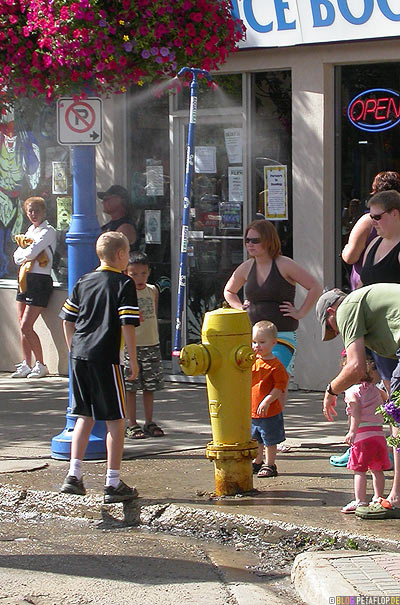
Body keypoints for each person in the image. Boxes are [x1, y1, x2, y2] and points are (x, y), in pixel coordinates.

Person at [59, 231, 140, 503]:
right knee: (116, 420)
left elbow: (67, 320)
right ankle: (112, 482)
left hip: (80, 355)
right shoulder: (123, 283)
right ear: (120, 255)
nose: (128, 258)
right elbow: (127, 324)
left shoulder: (84, 280)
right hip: (106, 357)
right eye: (127, 253)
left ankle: (74, 474)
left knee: (84, 415)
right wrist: (132, 358)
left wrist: (73, 350)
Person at [316, 283, 400, 519]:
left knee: (398, 417)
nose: (339, 333)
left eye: (333, 328)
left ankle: (396, 498)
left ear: (331, 312)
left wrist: (331, 391)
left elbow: (355, 367)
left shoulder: (347, 308)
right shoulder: (368, 307)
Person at [224, 219, 321, 375]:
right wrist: (240, 307)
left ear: (268, 241)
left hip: (281, 335)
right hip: (255, 337)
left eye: (255, 241)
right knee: (257, 381)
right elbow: (229, 291)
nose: (250, 244)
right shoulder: (247, 266)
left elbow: (315, 286)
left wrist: (300, 312)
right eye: (247, 240)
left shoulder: (284, 264)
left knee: (274, 378)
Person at [340, 353, 391, 514]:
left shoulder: (352, 391)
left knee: (359, 470)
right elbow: (386, 398)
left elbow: (355, 411)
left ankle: (360, 501)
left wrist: (352, 431)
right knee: (377, 469)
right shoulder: (376, 390)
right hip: (378, 435)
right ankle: (377, 497)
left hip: (363, 437)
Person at [12, 196, 56, 379]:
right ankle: (26, 364)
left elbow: (31, 252)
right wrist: (24, 254)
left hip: (40, 280)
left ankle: (41, 364)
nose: (33, 214)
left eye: (37, 210)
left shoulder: (48, 231)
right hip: (24, 279)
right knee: (22, 324)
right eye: (30, 211)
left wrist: (25, 254)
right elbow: (17, 256)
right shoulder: (29, 230)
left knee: (26, 325)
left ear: (44, 212)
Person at [124, 252, 165, 440]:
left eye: (143, 273)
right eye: (134, 274)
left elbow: (153, 314)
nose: (139, 278)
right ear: (126, 273)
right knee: (131, 387)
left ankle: (149, 421)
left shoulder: (152, 290)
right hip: (132, 346)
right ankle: (131, 423)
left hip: (152, 344)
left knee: (150, 386)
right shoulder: (125, 292)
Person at [251, 320, 289, 478]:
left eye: (261, 342)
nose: (257, 346)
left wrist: (268, 400)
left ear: (273, 343)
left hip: (269, 411)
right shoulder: (253, 362)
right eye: (254, 342)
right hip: (254, 410)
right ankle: (257, 461)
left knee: (269, 440)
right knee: (256, 439)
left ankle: (270, 464)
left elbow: (279, 386)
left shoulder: (275, 365)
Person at [98, 185, 138, 252]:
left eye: (106, 199)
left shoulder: (126, 227)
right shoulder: (109, 225)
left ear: (119, 200)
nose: (103, 202)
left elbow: (110, 252)